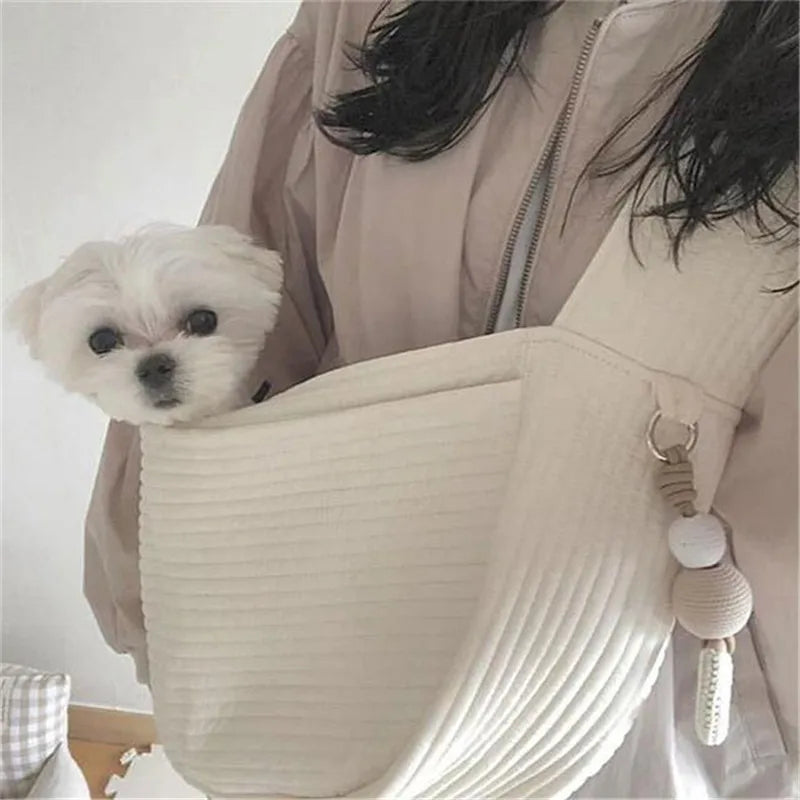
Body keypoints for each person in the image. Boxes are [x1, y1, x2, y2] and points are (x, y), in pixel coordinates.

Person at [84, 1, 798, 796]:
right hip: (342, 626)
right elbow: (236, 310)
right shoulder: (369, 10)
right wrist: (162, 602)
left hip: (663, 682)